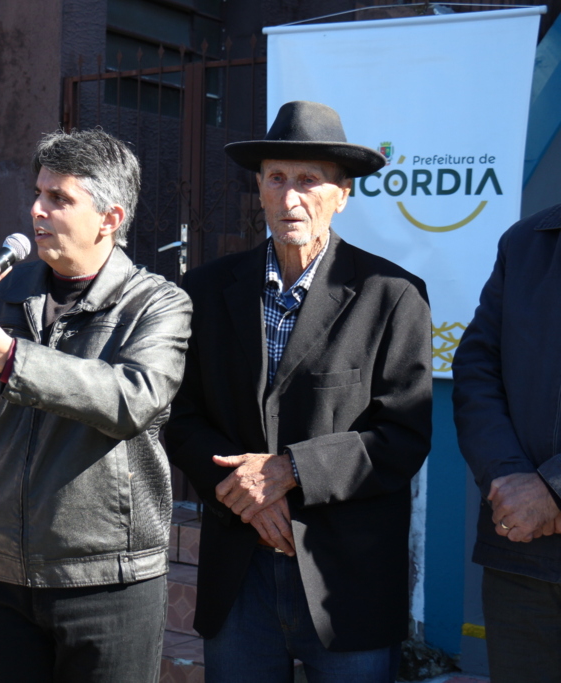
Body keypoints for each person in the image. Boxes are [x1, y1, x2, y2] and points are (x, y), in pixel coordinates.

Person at [165, 100, 433, 683]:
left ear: (342, 194)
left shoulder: (392, 295)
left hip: (346, 584)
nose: (290, 199)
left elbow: (401, 437)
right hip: (239, 577)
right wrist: (247, 495)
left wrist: (288, 471)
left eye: (309, 181)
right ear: (258, 188)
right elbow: (179, 418)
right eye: (277, 179)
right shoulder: (207, 291)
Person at [0, 129, 192, 683]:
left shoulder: (157, 302)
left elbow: (132, 398)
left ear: (109, 218)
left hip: (108, 579)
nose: (37, 210)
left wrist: (11, 358)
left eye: (58, 198)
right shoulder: (1, 290)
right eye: (38, 194)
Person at [452, 202, 561, 683]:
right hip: (522, 556)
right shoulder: (527, 242)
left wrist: (553, 487)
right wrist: (507, 476)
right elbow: (477, 370)